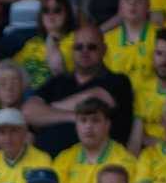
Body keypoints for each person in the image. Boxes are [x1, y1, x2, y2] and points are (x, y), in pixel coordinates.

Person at [22, 24, 135, 156]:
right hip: (47, 165)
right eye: (78, 47)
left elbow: (96, 97)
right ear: (72, 51)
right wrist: (75, 116)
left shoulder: (117, 81)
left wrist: (46, 110)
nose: (84, 51)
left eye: (91, 47)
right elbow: (28, 112)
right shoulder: (58, 81)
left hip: (95, 165)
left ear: (104, 50)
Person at [54, 97, 137, 183]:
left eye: (95, 120)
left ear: (107, 124)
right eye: (83, 120)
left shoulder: (125, 160)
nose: (88, 126)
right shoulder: (63, 159)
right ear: (76, 125)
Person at [12, 0, 75, 90]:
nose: (51, 14)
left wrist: (51, 39)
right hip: (24, 92)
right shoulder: (33, 42)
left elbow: (58, 70)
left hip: (54, 93)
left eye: (57, 10)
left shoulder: (76, 40)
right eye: (46, 10)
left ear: (67, 14)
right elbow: (13, 69)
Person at [101, 0, 155, 94]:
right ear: (120, 5)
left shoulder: (160, 37)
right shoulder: (106, 40)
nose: (132, 5)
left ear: (149, 5)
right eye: (127, 0)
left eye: (139, 0)